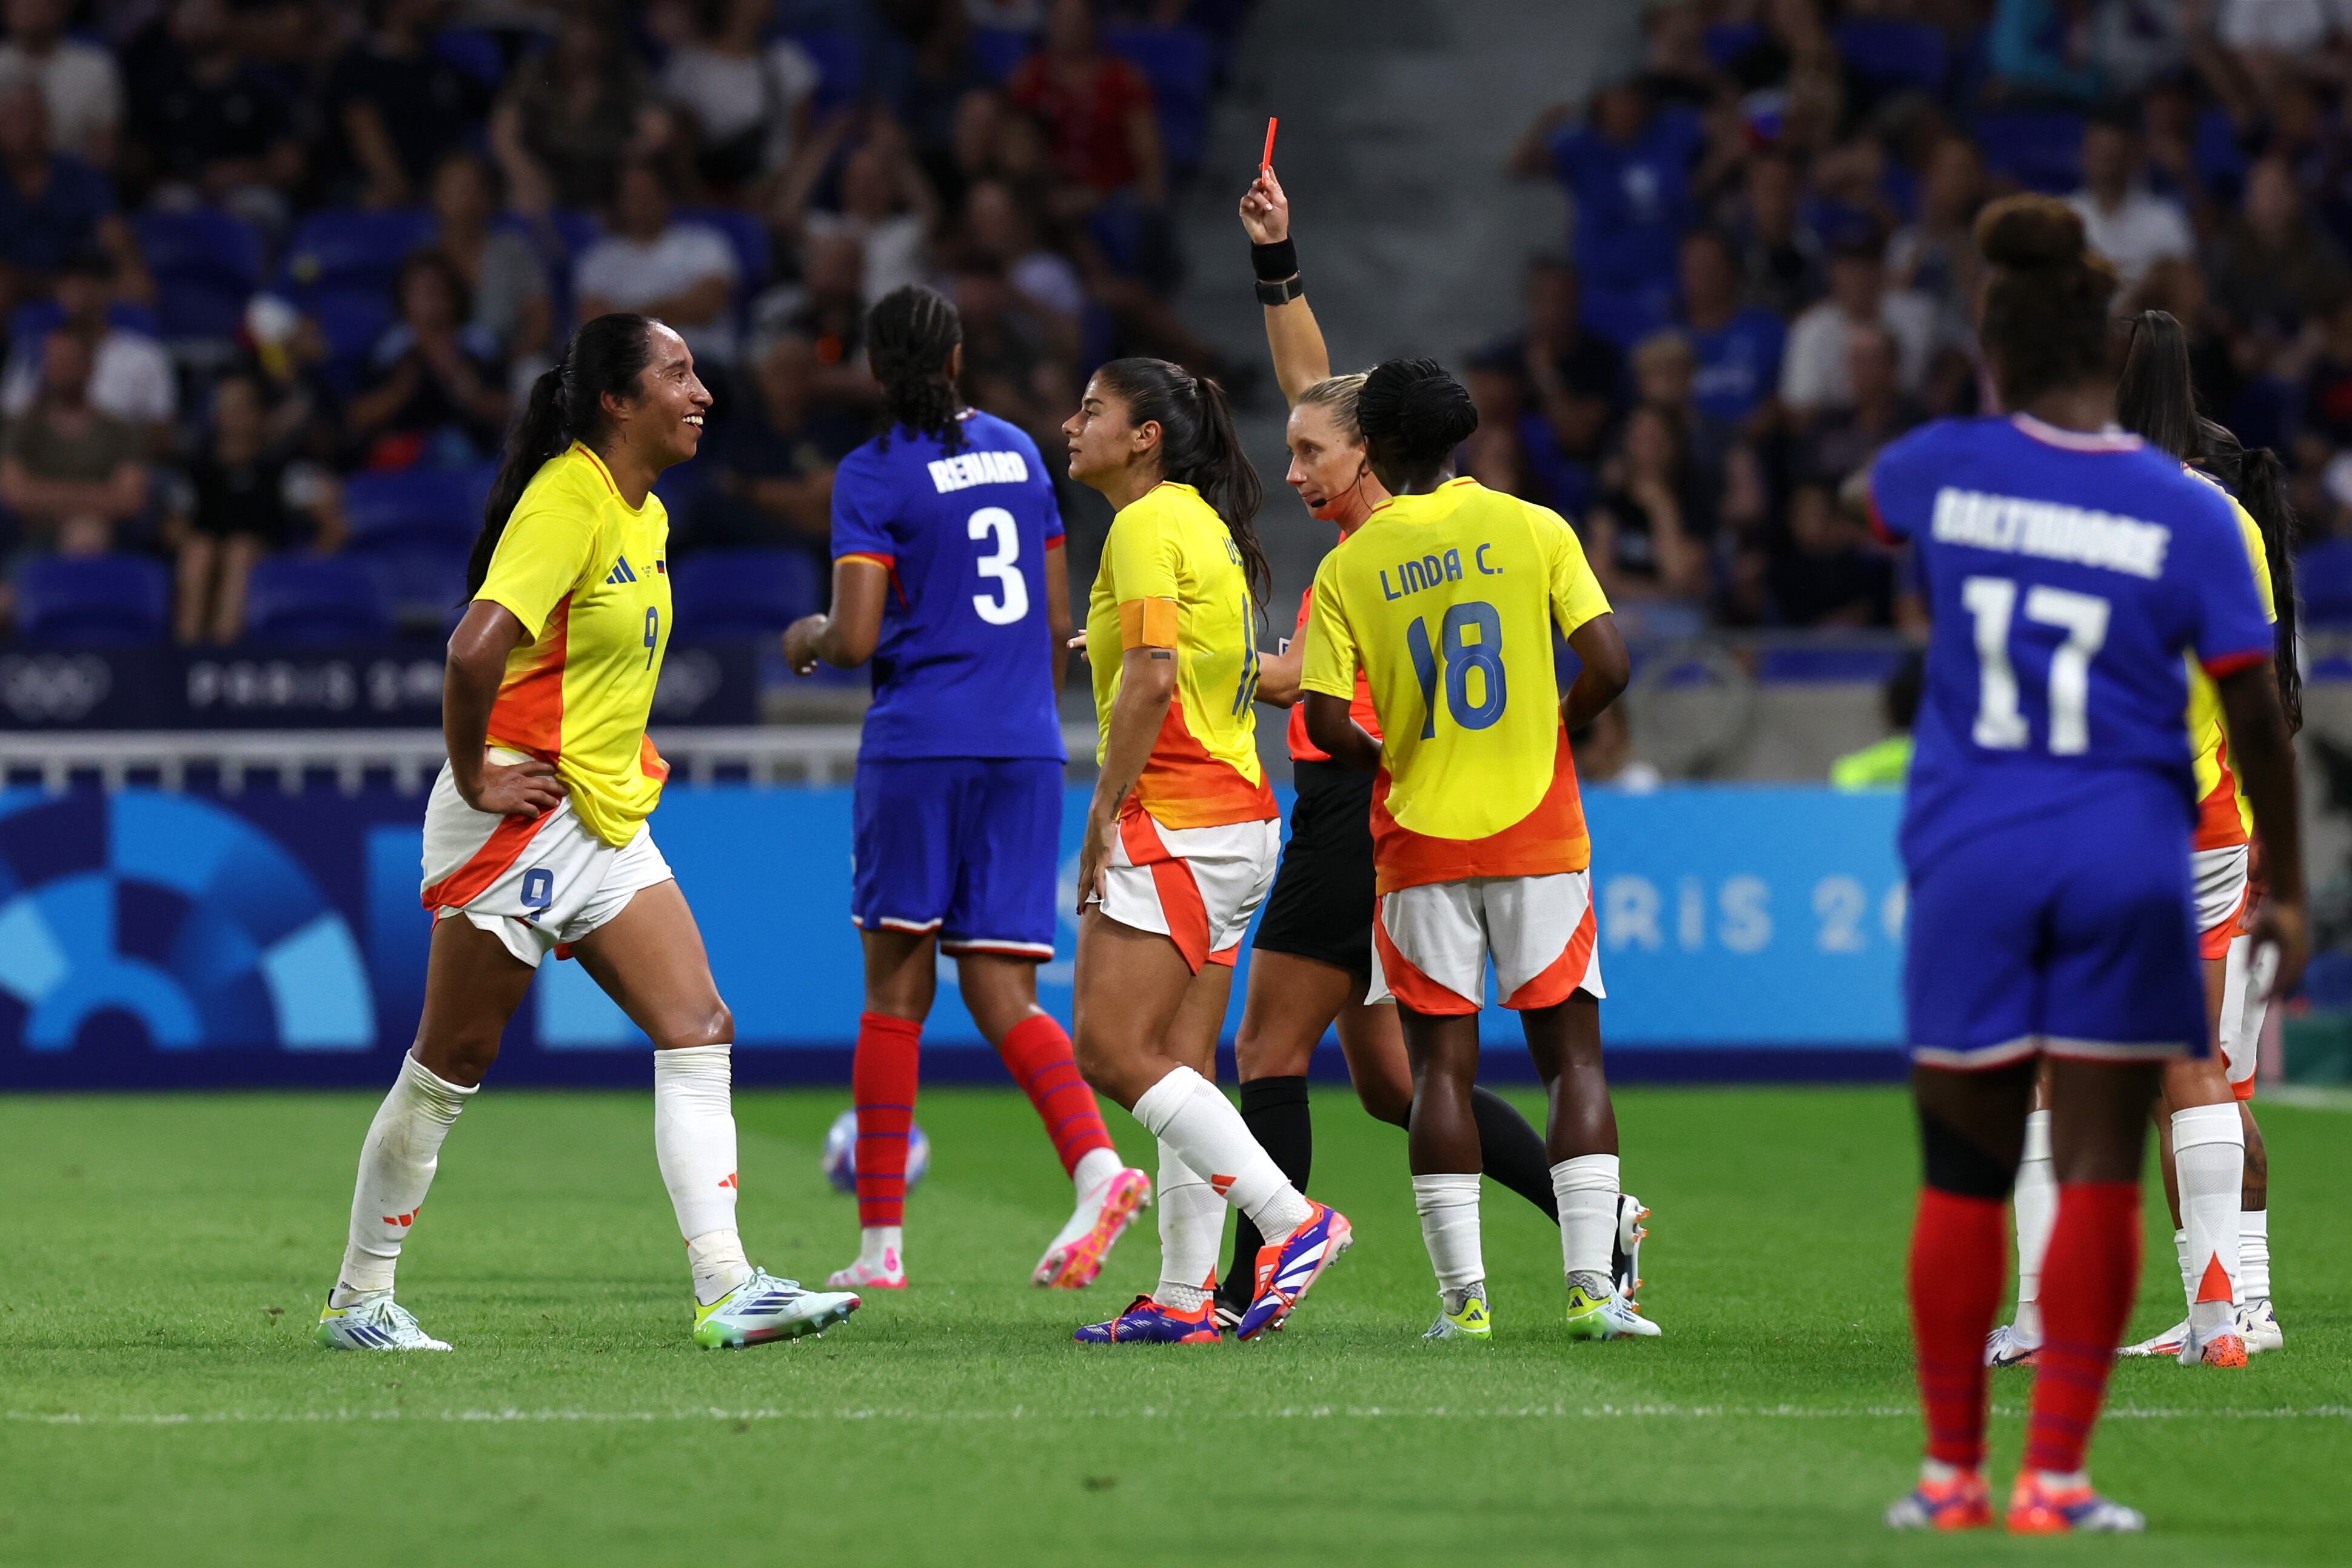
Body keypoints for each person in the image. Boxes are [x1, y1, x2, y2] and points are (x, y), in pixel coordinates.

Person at [1871, 196, 2305, 1534]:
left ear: (1998, 356)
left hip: (1980, 844)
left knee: (1971, 1146)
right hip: (2150, 836)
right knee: (2135, 1121)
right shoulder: (2199, 515)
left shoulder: (1941, 472)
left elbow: (1894, 516)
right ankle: (2067, 1464)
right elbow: (2258, 713)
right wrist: (2289, 880)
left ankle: (1951, 1476)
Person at [314, 312, 861, 1353]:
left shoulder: (644, 513)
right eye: (679, 373)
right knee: (450, 1062)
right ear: (616, 400)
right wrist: (475, 772)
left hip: (603, 818)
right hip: (515, 824)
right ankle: (359, 1299)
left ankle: (727, 1286)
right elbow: (473, 651)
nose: (703, 392)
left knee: (698, 1025)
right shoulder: (565, 500)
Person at [1211, 169, 1592, 1332]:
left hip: (1359, 808)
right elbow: (1309, 385)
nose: (1293, 468)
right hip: (1386, 814)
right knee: (1393, 1084)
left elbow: (1328, 697)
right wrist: (1276, 262)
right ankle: (1593, 1216)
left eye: (1313, 453)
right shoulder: (1396, 516)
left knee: (1267, 1050)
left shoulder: (1379, 549)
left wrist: (1207, 667)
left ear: (1369, 456)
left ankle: (1244, 1284)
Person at [781, 284, 1148, 1293]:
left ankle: (879, 1248)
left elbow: (854, 638)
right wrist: (1021, 714)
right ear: (954, 361)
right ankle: (1097, 1167)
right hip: (1023, 742)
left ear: (872, 370)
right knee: (1002, 988)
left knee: (894, 994)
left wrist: (805, 640)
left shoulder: (868, 473)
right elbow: (1053, 623)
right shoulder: (1025, 453)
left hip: (919, 746)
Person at [1298, 357, 1644, 1344]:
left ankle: (1464, 1305)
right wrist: (1553, 724)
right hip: (1537, 828)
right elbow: (1610, 664)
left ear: (1373, 447)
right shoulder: (1535, 528)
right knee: (1570, 1064)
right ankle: (1592, 1292)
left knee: (1438, 1074)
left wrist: (1392, 754)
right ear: (1459, 437)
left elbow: (1324, 720)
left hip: (1417, 842)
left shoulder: (1350, 563)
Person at [1986, 309, 2299, 1370]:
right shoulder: (2228, 523)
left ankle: (2038, 1320)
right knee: (2194, 1066)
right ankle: (2219, 1318)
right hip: (2206, 822)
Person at [1061, 355, 1349, 1344]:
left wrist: (1102, 812)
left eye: (1091, 410)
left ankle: (1292, 1222)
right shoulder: (1204, 532)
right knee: (1180, 1059)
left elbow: (1149, 676)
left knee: (1108, 1048)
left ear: (1144, 436)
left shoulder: (1143, 525)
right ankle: (1185, 1296)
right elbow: (1187, 661)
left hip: (1172, 816)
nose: (1071, 424)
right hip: (1236, 819)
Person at [172, 372, 345, 645]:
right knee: (198, 552)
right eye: (227, 408)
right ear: (215, 416)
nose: (235, 417)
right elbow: (174, 528)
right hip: (207, 564)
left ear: (260, 414)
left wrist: (305, 567)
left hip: (260, 564)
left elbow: (334, 526)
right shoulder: (197, 472)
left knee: (240, 551)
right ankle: (186, 651)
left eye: (243, 407)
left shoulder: (282, 472)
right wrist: (204, 553)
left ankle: (224, 650)